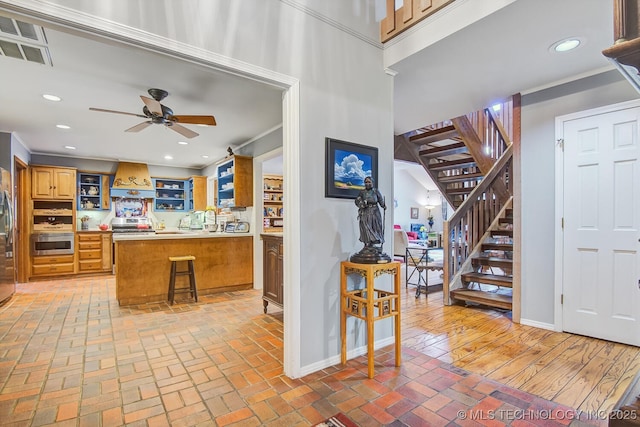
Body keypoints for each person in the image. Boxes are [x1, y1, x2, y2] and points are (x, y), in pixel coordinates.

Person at [355, 176, 386, 248]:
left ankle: (373, 243)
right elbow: (357, 201)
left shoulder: (376, 191)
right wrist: (361, 204)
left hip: (374, 212)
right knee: (365, 225)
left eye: (369, 182)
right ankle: (366, 242)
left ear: (372, 183)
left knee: (374, 227)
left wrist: (383, 205)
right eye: (366, 182)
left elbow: (380, 200)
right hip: (365, 211)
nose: (367, 183)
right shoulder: (362, 192)